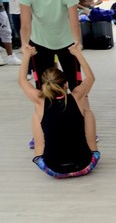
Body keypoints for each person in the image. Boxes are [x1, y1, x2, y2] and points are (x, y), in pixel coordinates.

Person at [20, 0, 89, 150]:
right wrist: (25, 45)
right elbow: (26, 25)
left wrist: (77, 43)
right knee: (42, 87)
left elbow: (74, 22)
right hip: (40, 43)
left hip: (67, 43)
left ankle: (82, 125)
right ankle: (42, 129)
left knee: (76, 86)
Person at [18, 44, 100, 178]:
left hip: (53, 169)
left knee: (36, 116)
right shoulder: (77, 95)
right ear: (66, 84)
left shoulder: (39, 101)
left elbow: (22, 80)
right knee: (87, 111)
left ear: (44, 86)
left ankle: (39, 148)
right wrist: (77, 53)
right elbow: (90, 77)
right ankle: (92, 147)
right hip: (85, 165)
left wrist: (27, 55)